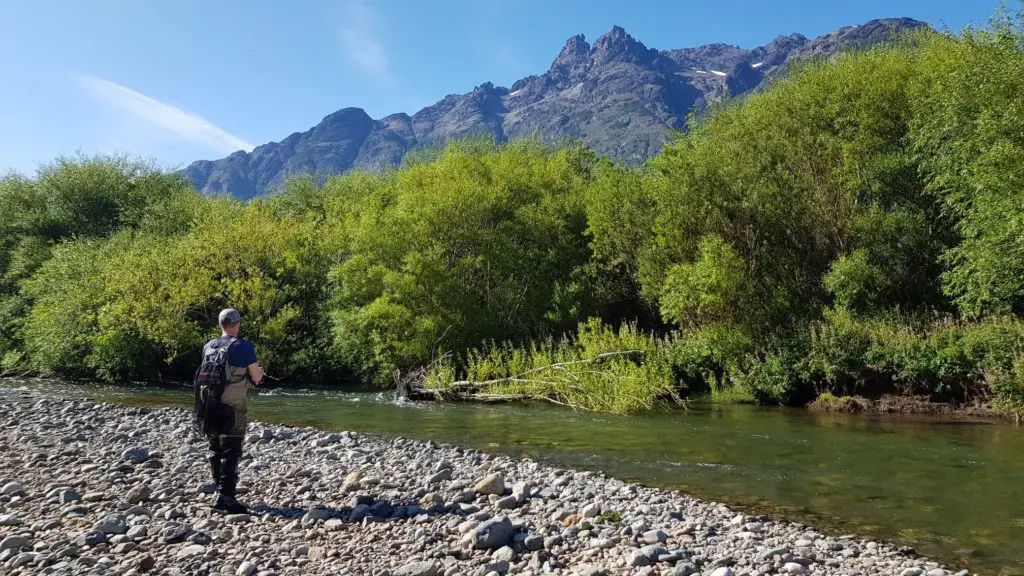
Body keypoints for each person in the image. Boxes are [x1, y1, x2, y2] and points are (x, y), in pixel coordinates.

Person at [202, 308, 263, 513]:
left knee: (214, 448)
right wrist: (259, 372)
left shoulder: (208, 346)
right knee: (232, 448)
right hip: (232, 405)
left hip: (208, 404)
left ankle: (220, 491)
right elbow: (256, 377)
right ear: (237, 324)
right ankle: (226, 496)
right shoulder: (243, 346)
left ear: (220, 324)